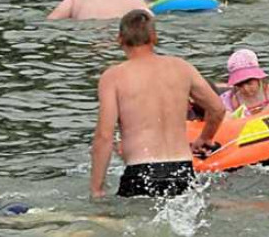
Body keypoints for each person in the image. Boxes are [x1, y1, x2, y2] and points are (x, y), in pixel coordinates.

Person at [90, 10, 224, 198]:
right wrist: (205, 138)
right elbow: (217, 108)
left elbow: (104, 136)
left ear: (119, 39)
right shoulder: (182, 68)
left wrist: (97, 189)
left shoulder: (113, 77)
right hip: (182, 169)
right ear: (154, 37)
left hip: (141, 171)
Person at [218, 49, 269, 116]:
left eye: (249, 83)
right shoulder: (235, 100)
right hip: (245, 123)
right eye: (240, 86)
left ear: (258, 79)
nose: (246, 89)